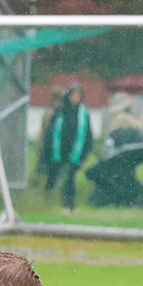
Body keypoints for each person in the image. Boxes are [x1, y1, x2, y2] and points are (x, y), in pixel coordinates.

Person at [42, 83, 92, 213]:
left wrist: (85, 154)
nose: (75, 98)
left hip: (75, 152)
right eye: (73, 95)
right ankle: (46, 203)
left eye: (78, 95)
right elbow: (51, 132)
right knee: (52, 177)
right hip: (57, 151)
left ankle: (69, 205)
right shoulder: (60, 111)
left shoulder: (83, 114)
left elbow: (88, 135)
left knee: (70, 179)